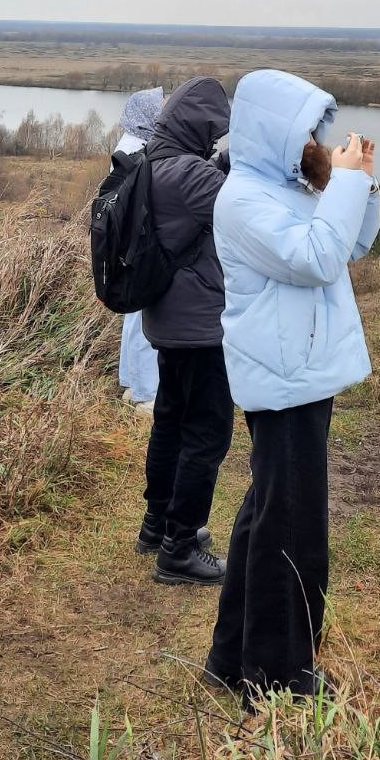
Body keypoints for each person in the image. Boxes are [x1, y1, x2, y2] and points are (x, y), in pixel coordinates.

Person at [204, 69, 380, 699]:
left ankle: (231, 659)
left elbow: (353, 243)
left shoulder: (289, 186)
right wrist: (344, 182)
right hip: (284, 376)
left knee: (266, 514)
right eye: (304, 129)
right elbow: (317, 259)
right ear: (274, 131)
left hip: (299, 371)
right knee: (292, 526)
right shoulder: (243, 199)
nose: (314, 140)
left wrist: (356, 183)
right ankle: (277, 675)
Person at [139, 76, 235, 586]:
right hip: (200, 325)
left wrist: (218, 163)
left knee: (171, 422)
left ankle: (157, 525)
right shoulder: (188, 175)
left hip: (167, 318)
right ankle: (181, 546)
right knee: (208, 433)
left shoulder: (154, 161)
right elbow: (242, 206)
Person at [114, 87, 164, 414]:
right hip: (139, 246)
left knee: (135, 317)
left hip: (128, 247)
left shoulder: (128, 145)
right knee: (144, 319)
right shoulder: (139, 151)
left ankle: (133, 383)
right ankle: (145, 394)